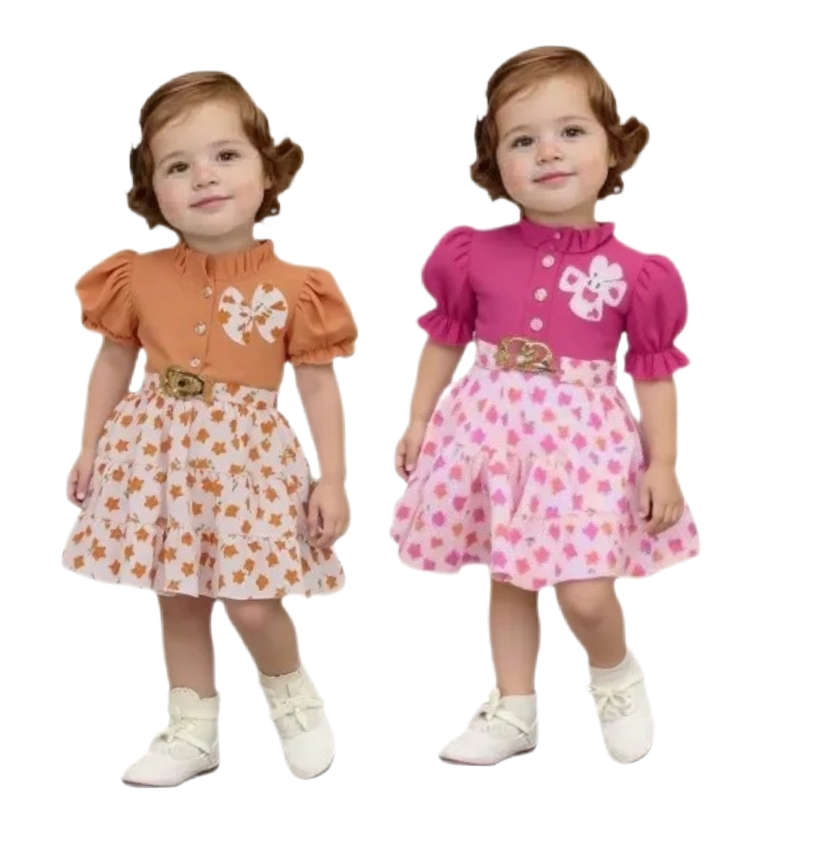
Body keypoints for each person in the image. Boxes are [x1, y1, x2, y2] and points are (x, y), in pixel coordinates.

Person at [392, 46, 699, 765]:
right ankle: (514, 707)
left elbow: (652, 374)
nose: (547, 152)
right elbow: (445, 338)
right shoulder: (470, 253)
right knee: (510, 572)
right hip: (491, 428)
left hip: (584, 442)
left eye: (571, 131)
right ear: (494, 160)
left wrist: (663, 463)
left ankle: (614, 674)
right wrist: (418, 419)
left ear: (612, 148)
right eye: (522, 140)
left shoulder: (637, 274)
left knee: (584, 593)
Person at [63, 71, 356, 786]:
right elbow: (113, 362)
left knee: (252, 605)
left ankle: (291, 693)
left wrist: (334, 479)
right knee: (180, 597)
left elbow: (318, 384)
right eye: (177, 165)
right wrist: (89, 446)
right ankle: (192, 730)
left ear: (267, 170)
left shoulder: (298, 287)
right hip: (156, 453)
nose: (203, 177)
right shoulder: (135, 276)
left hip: (247, 462)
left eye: (225, 155)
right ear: (151, 189)